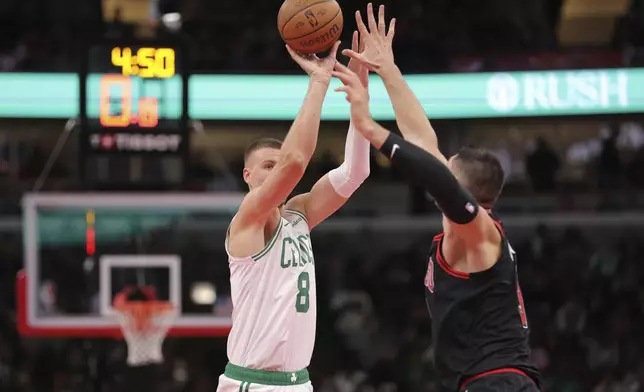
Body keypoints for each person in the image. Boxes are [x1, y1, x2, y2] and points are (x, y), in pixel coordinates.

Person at [335, 4, 542, 391]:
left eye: (448, 165)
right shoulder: (466, 228)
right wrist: (387, 70)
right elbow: (421, 140)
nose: (439, 164)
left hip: (498, 382)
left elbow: (436, 177)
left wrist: (370, 128)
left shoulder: (480, 230)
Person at [218, 36, 371, 392]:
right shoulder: (249, 217)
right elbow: (296, 162)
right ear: (248, 176)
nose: (274, 172)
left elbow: (355, 173)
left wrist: (360, 91)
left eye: (276, 165)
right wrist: (319, 81)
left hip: (299, 382)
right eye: (266, 166)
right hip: (253, 384)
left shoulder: (298, 214)